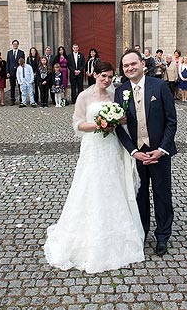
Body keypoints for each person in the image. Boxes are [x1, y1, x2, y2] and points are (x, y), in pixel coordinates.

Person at [45, 61, 144, 273]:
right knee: (91, 186)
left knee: (113, 185)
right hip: (93, 146)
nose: (106, 80)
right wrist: (98, 124)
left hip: (112, 146)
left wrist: (119, 120)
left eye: (109, 76)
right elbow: (77, 124)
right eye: (103, 76)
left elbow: (123, 118)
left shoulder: (115, 94)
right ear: (95, 75)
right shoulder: (84, 96)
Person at [115, 51, 178, 256]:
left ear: (143, 64)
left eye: (133, 63)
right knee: (139, 195)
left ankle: (162, 236)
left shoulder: (159, 86)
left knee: (162, 194)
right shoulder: (121, 91)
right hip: (137, 154)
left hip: (159, 152)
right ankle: (141, 232)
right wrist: (133, 151)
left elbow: (171, 121)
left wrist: (161, 150)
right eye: (126, 66)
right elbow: (117, 127)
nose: (130, 68)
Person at [6, 40, 25, 106]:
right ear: (12, 45)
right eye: (14, 44)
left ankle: (21, 99)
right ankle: (12, 99)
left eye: (16, 44)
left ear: (18, 45)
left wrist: (23, 71)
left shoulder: (21, 52)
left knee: (20, 86)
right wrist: (7, 72)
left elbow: (23, 63)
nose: (15, 45)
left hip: (19, 72)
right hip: (11, 72)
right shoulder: (9, 53)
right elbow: (8, 63)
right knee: (12, 86)